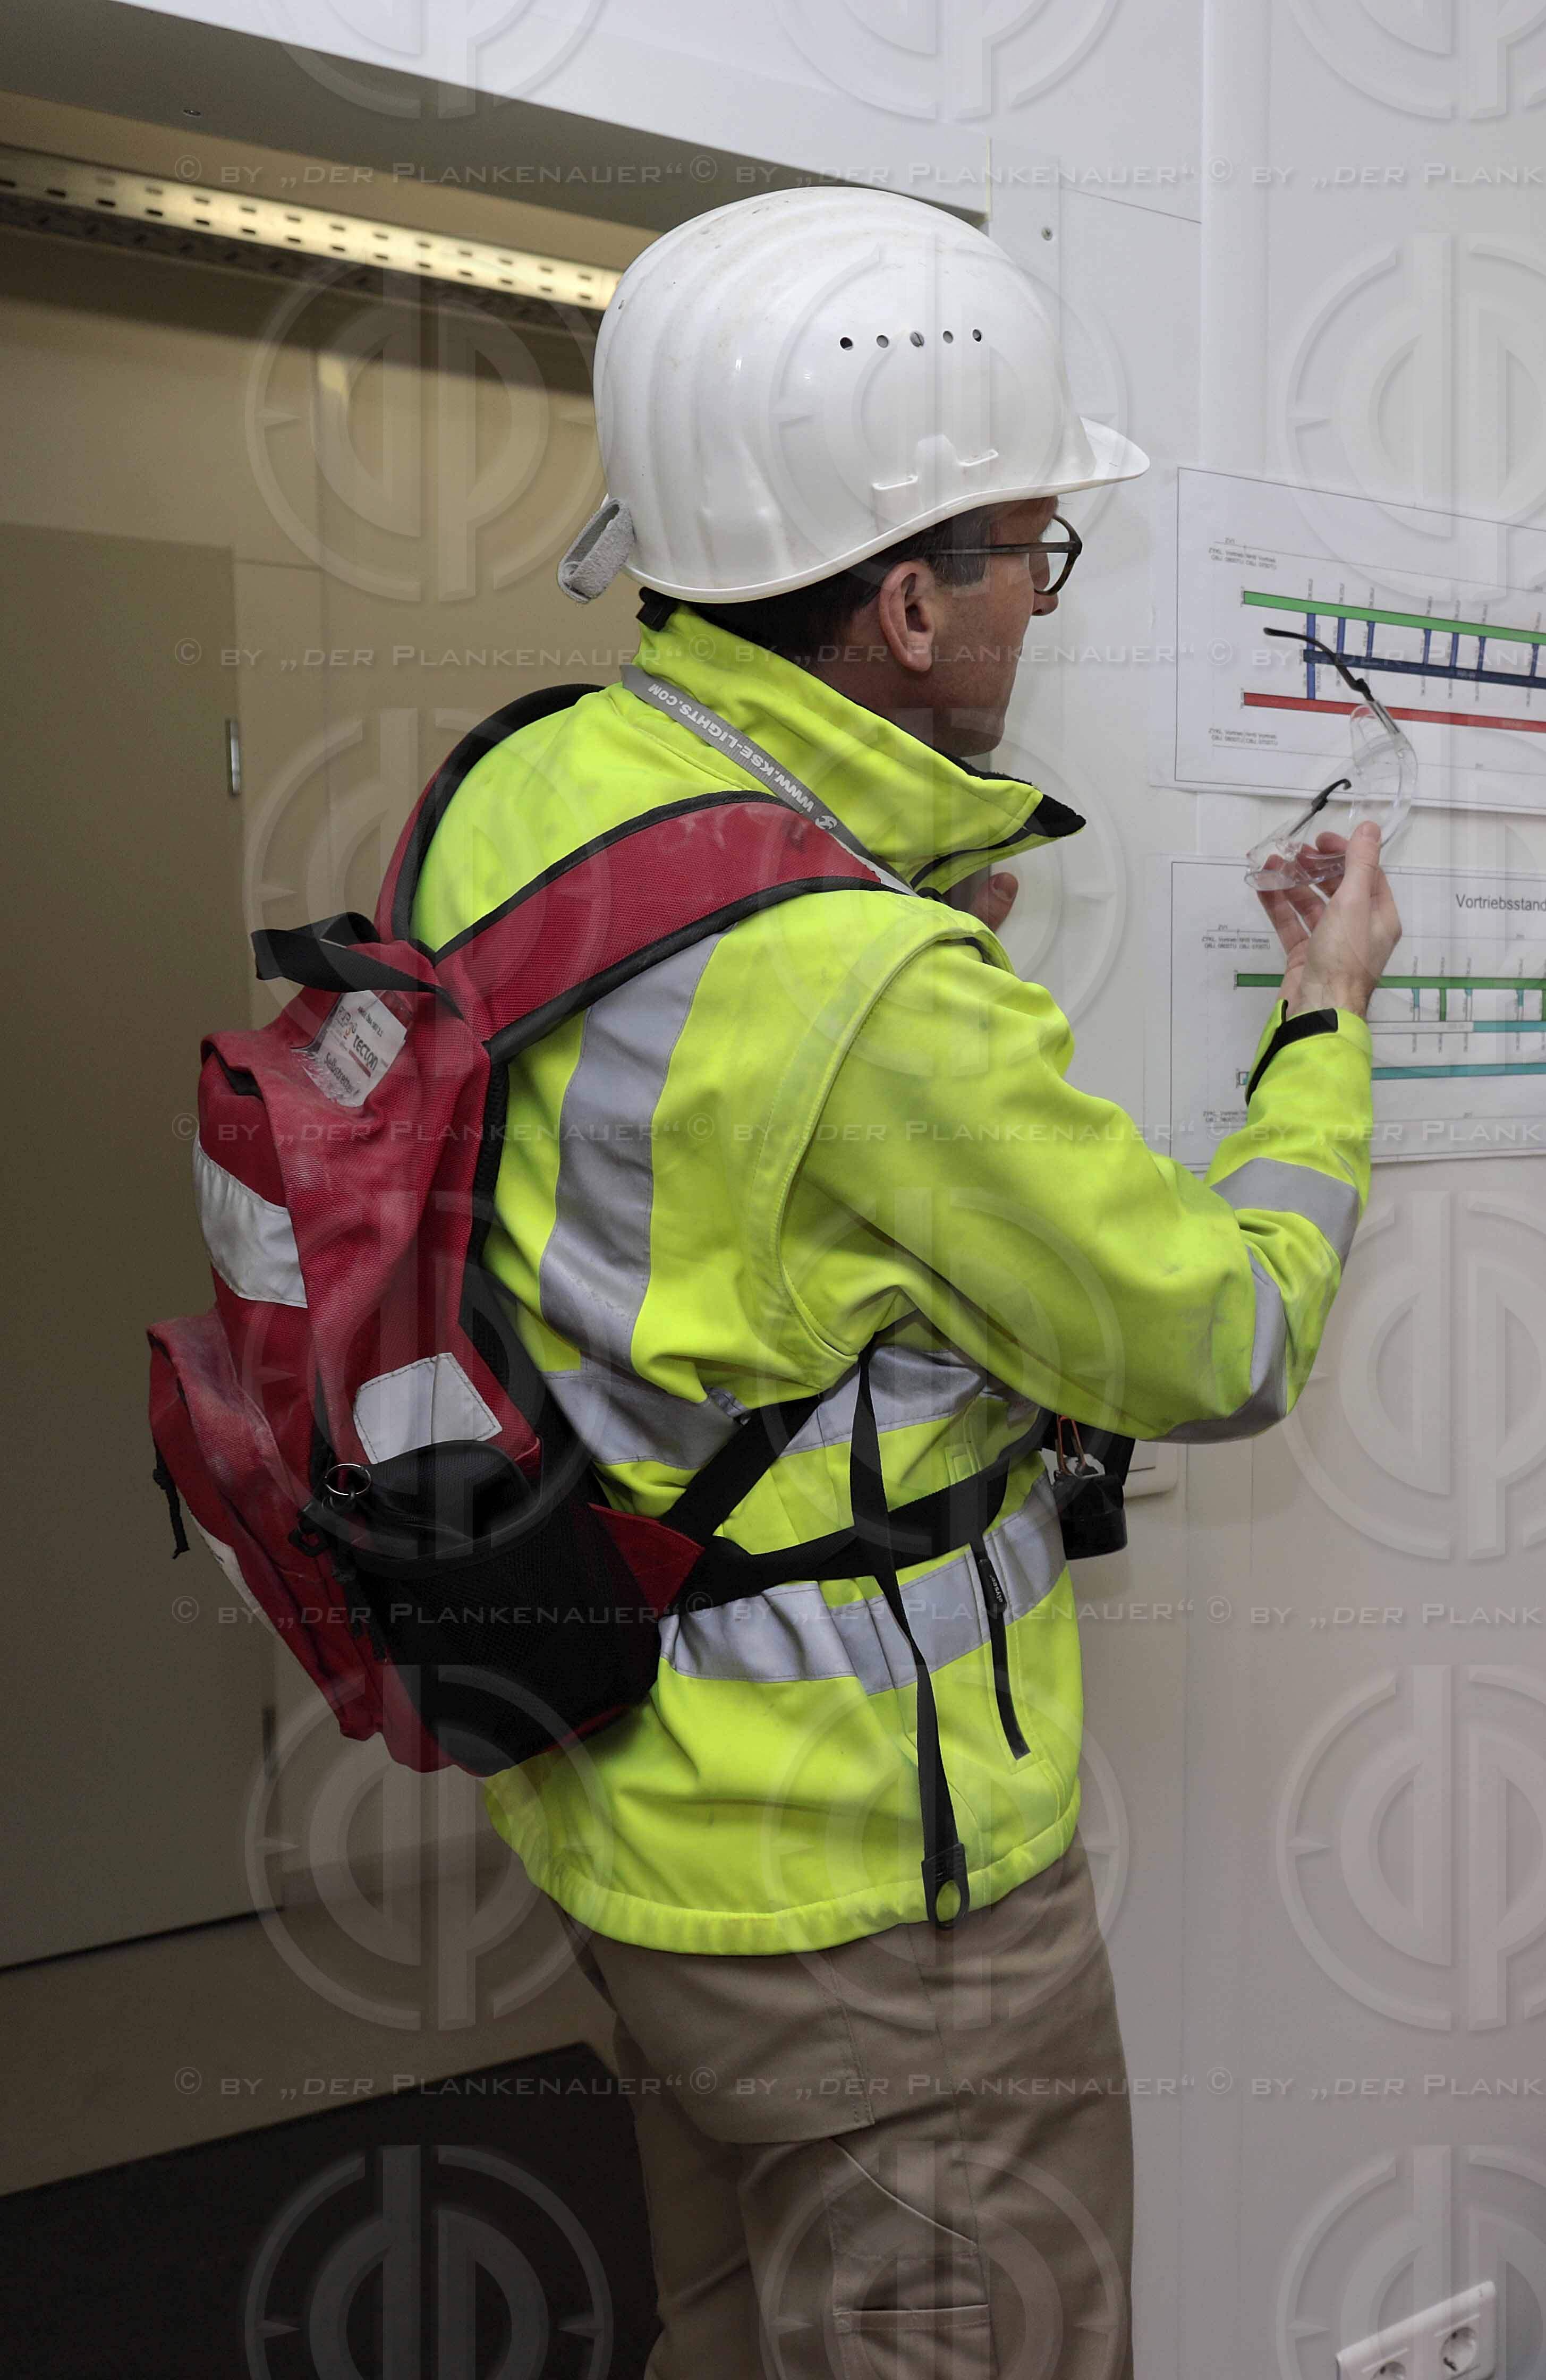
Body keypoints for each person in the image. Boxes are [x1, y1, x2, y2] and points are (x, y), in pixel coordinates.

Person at [442, 188, 1397, 2374]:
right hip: (877, 1915)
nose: (1038, 603)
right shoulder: (859, 983)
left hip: (622, 1812)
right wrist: (1322, 1029)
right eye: (1030, 553)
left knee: (734, 2324)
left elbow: (685, 1219)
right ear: (904, 602)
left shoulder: (523, 788)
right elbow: (1226, 1333)